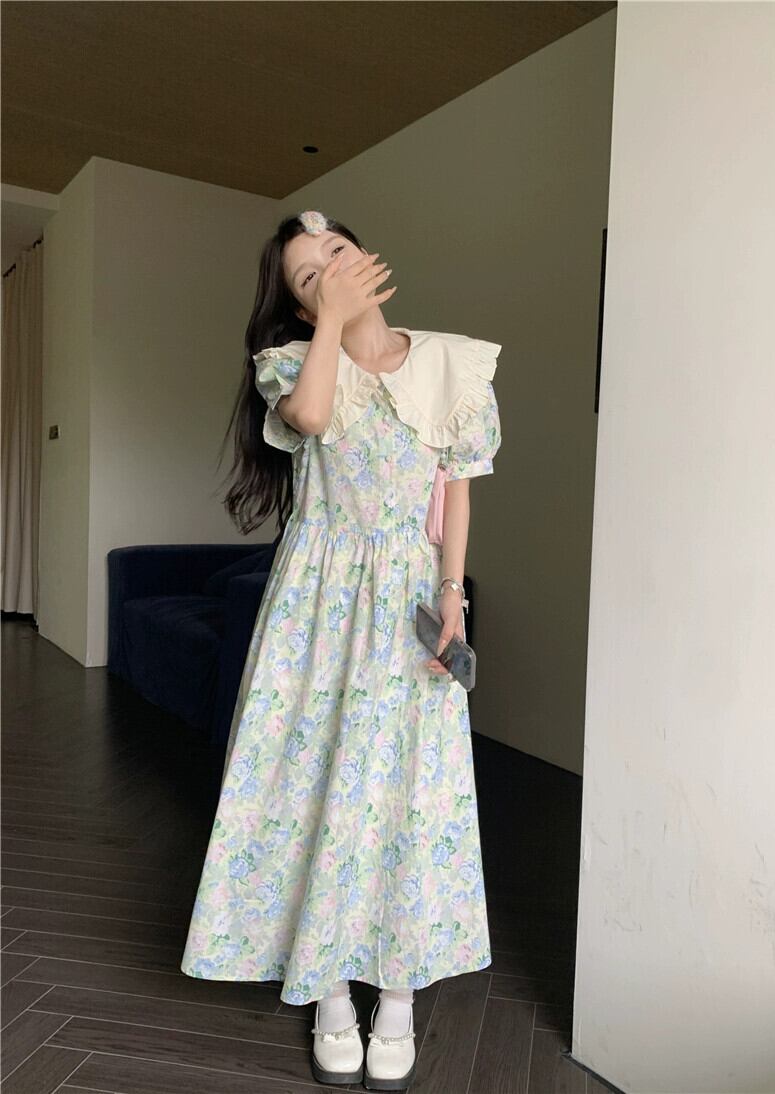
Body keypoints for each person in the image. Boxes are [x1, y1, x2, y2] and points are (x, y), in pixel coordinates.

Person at [181, 209, 502, 1090]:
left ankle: (396, 991)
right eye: (306, 277)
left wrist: (451, 594)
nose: (328, 271)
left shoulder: (450, 365)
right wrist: (328, 324)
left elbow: (457, 492)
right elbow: (315, 417)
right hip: (315, 604)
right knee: (311, 782)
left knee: (409, 789)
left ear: (366, 253)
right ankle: (326, 987)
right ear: (298, 308)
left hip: (407, 595)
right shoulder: (292, 363)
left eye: (334, 253)